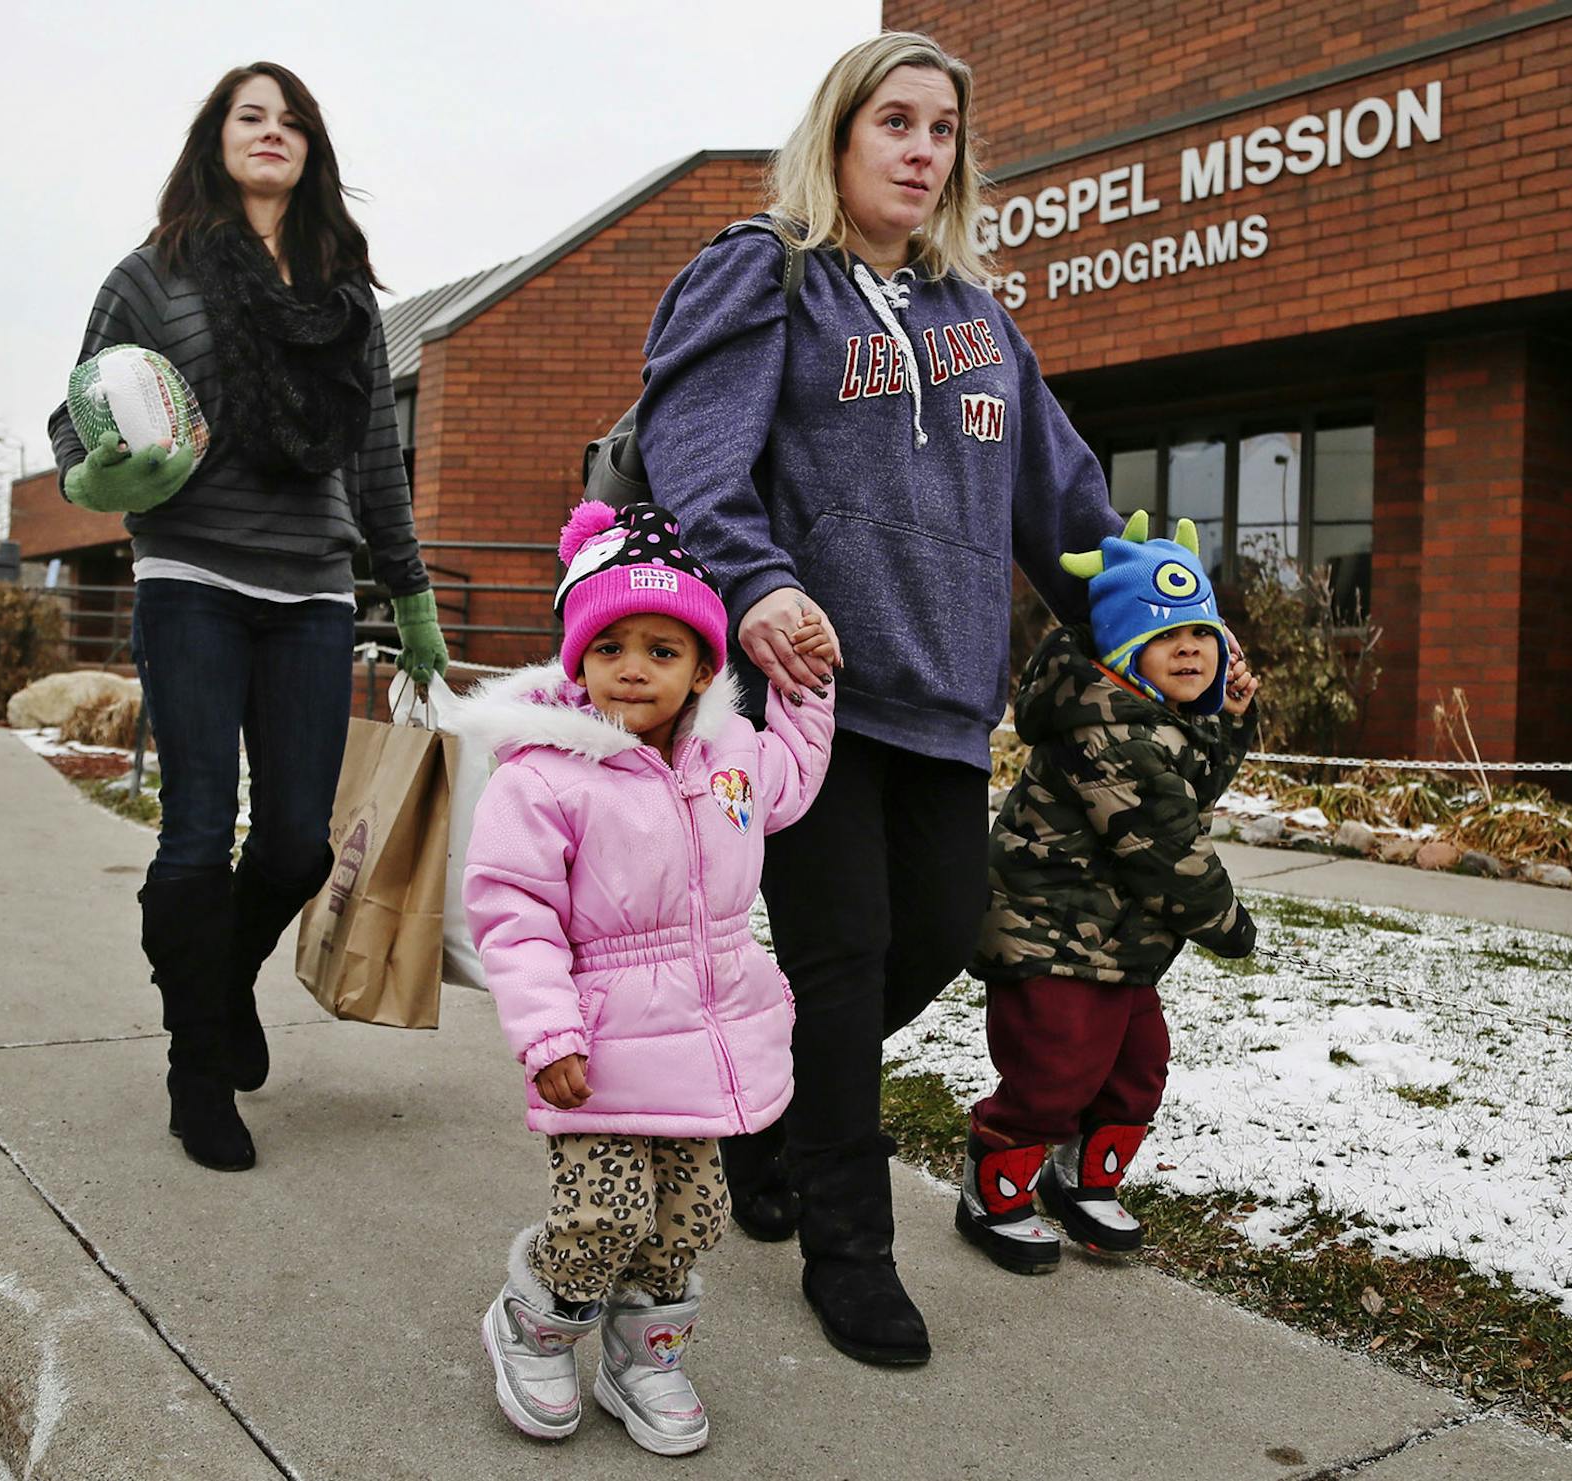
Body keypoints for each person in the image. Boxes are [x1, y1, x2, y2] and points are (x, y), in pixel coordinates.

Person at [634, 31, 1122, 1367]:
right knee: (844, 965)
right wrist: (758, 585)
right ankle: (849, 1254)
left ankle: (761, 1121)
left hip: (947, 696)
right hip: (808, 699)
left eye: (943, 129)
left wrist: (1154, 620)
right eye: (895, 123)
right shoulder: (771, 277)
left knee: (938, 933)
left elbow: (1063, 504)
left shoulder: (979, 319)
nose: (922, 149)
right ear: (839, 138)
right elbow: (692, 453)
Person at [46, 62, 448, 1173]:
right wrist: (97, 483)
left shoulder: (346, 297)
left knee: (292, 844)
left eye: (291, 122)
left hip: (312, 591)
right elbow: (76, 418)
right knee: (194, 828)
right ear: (214, 140)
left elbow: (375, 464)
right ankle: (196, 1066)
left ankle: (218, 991)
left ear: (312, 148)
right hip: (190, 577)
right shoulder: (156, 273)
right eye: (249, 116)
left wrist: (410, 597)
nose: (271, 134)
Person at [457, 500, 834, 1456]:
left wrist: (810, 679)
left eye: (663, 650)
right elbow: (513, 911)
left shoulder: (730, 758)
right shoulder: (544, 778)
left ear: (706, 668)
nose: (634, 665)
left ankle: (645, 1352)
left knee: (694, 1215)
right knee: (602, 1209)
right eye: (611, 644)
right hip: (600, 1043)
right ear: (578, 659)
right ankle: (536, 1324)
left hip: (709, 1039)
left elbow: (792, 776)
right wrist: (548, 1033)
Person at [960, 514, 1259, 1271]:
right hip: (1048, 936)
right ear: (1127, 653)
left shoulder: (1156, 717)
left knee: (1138, 1065)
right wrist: (1231, 925)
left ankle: (1082, 1182)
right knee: (1052, 1072)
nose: (1189, 649)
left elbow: (1189, 789)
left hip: (1116, 944)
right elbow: (1166, 845)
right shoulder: (1107, 730)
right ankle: (991, 1192)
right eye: (1166, 638)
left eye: (1202, 634)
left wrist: (1229, 720)